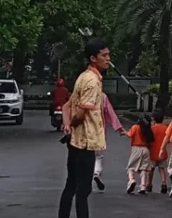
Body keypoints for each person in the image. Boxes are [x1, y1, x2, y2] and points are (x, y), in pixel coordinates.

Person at [57, 37, 110, 218]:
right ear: (93, 58)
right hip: (85, 143)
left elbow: (67, 106)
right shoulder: (92, 82)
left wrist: (66, 126)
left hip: (75, 141)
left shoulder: (83, 77)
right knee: (83, 190)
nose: (108, 59)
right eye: (104, 55)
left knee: (71, 185)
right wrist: (71, 123)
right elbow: (80, 114)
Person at [92, 92, 127, 191]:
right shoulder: (102, 96)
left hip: (84, 132)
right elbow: (110, 113)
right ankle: (96, 173)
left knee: (85, 155)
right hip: (99, 131)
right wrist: (119, 128)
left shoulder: (82, 94)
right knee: (98, 156)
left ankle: (84, 177)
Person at [126, 115, 155, 194]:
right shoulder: (148, 129)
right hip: (146, 150)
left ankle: (132, 180)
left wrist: (124, 132)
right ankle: (143, 186)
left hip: (136, 148)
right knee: (144, 169)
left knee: (131, 167)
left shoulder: (135, 127)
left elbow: (130, 135)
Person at [149, 109, 170, 194]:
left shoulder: (152, 129)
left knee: (151, 170)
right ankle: (164, 183)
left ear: (153, 119)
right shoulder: (166, 129)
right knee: (162, 169)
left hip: (152, 153)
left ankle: (149, 184)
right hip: (162, 153)